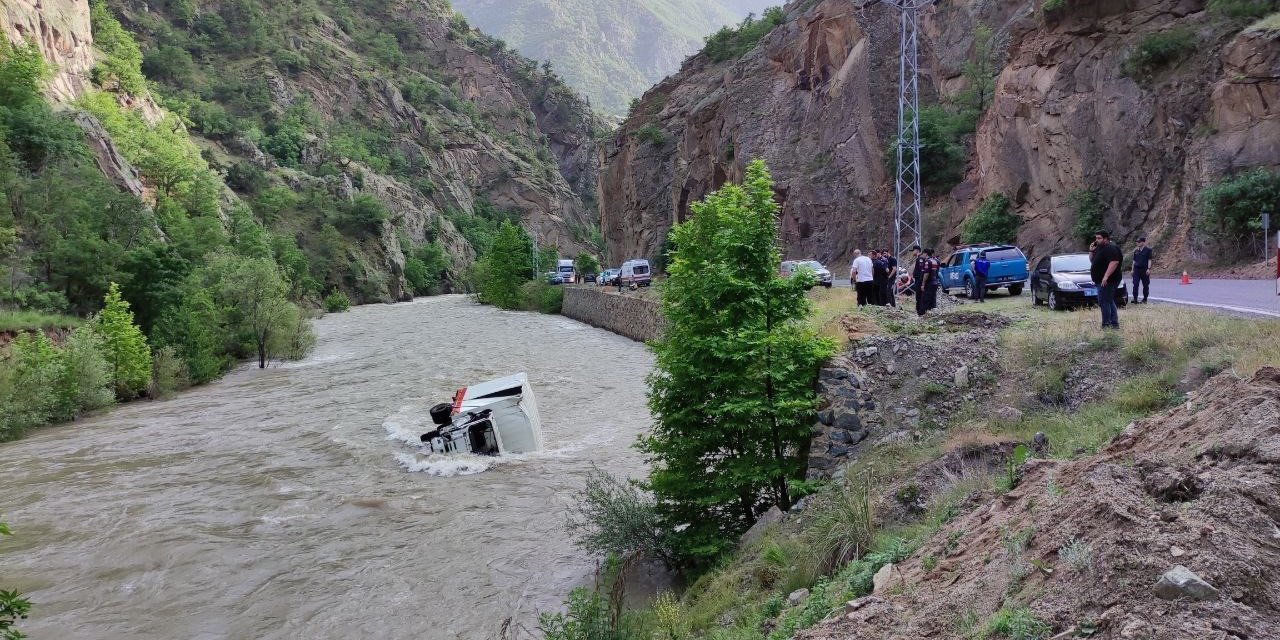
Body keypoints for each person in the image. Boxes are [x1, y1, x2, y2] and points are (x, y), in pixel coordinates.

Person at [1091, 230, 1123, 329]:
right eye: (1096, 238)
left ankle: (1107, 324)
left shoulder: (1111, 248)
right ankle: (1114, 324)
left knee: (1103, 301)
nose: (1097, 240)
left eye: (1099, 238)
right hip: (1100, 280)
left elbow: (1114, 262)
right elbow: (1092, 261)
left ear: (1106, 238)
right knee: (1108, 300)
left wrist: (1106, 277)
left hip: (1109, 280)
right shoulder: (1099, 247)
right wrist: (1091, 251)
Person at [1131, 236, 1152, 303]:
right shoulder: (1136, 251)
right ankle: (1135, 299)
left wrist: (1148, 269)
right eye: (1137, 242)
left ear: (1143, 242)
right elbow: (1134, 261)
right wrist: (1132, 269)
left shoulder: (1148, 250)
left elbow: (1149, 260)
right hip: (1136, 270)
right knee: (1135, 284)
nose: (1138, 243)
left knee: (1145, 285)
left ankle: (1145, 299)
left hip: (1144, 270)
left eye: (1139, 242)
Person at [924, 249, 941, 313]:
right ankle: (934, 309)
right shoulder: (937, 261)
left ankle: (928, 310)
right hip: (935, 280)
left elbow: (926, 273)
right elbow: (938, 270)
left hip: (930, 280)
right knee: (933, 296)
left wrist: (923, 282)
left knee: (927, 296)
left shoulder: (928, 261)